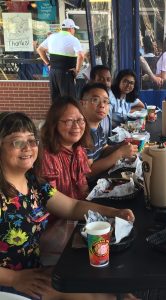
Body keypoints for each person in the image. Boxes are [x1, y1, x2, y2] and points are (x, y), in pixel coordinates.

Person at [0, 111, 135, 300]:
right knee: (103, 297)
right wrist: (14, 279)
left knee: (109, 282)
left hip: (35, 270)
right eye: (17, 142)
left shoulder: (33, 183)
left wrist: (114, 212)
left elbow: (72, 207)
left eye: (31, 140)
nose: (28, 147)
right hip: (11, 286)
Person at [39, 98, 92, 265]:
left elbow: (83, 189)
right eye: (68, 121)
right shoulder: (48, 155)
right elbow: (56, 208)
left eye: (80, 120)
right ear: (54, 124)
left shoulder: (78, 149)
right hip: (56, 227)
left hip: (78, 216)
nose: (76, 126)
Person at [80, 82, 138, 179]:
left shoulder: (98, 127)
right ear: (82, 104)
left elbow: (103, 149)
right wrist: (119, 153)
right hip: (90, 186)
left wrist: (120, 146)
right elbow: (88, 172)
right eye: (95, 100)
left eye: (106, 101)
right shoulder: (81, 132)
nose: (102, 105)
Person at [37, 19, 84, 102]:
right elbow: (81, 56)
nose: (74, 31)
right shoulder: (73, 39)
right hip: (66, 73)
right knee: (69, 101)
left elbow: (39, 49)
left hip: (53, 73)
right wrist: (77, 70)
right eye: (74, 29)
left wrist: (48, 64)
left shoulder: (52, 37)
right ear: (70, 28)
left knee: (56, 101)